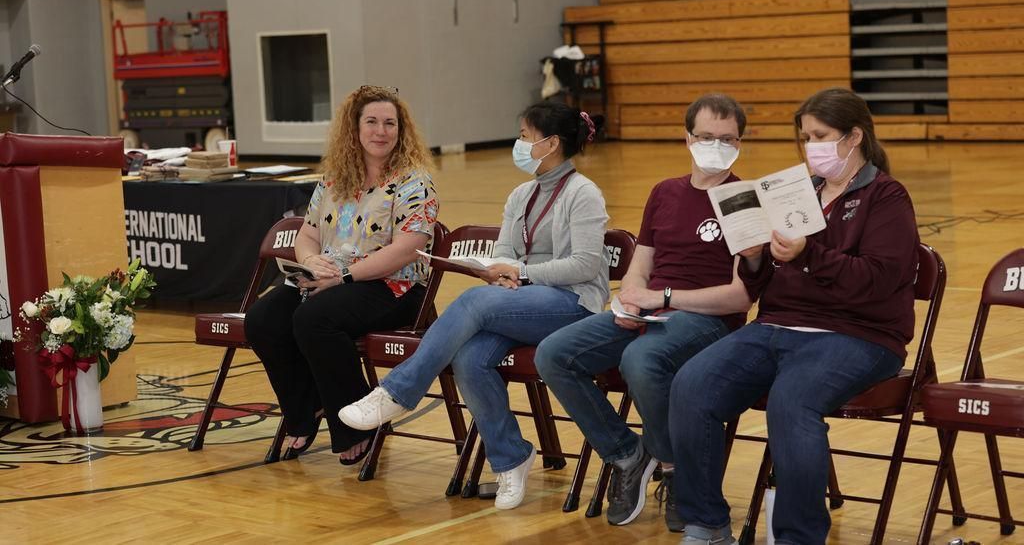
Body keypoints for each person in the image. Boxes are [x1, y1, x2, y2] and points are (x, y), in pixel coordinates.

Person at [670, 88, 919, 545]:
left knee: (791, 400)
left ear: (854, 136)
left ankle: (798, 537)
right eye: (805, 137)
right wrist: (753, 259)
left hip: (859, 334)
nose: (811, 147)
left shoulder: (886, 196)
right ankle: (705, 524)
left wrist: (808, 255)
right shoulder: (797, 193)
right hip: (778, 324)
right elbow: (765, 282)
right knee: (691, 384)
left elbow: (879, 279)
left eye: (820, 136)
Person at [340, 101, 608, 510]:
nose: (518, 142)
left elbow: (586, 265)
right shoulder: (521, 194)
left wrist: (519, 273)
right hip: (522, 300)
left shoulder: (583, 193)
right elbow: (504, 252)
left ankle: (397, 390)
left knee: (474, 302)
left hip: (573, 305)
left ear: (551, 143)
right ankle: (511, 458)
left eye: (524, 135)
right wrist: (500, 272)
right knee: (470, 358)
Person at [535, 94, 752, 532]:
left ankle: (674, 471)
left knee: (641, 359)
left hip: (709, 322)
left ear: (741, 143)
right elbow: (642, 264)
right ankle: (628, 455)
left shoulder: (744, 199)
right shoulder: (665, 192)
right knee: (554, 354)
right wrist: (631, 298)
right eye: (708, 137)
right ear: (688, 138)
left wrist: (665, 297)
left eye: (728, 139)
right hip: (652, 311)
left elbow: (738, 298)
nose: (717, 146)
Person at [244, 85, 438, 465]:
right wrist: (312, 261)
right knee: (263, 320)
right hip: (332, 281)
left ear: (401, 131)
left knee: (315, 318)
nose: (381, 131)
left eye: (389, 123)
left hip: (393, 287)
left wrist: (344, 277)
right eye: (372, 122)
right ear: (354, 128)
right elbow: (308, 233)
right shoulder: (335, 178)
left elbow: (407, 248)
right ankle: (308, 409)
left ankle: (355, 425)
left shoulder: (415, 181)